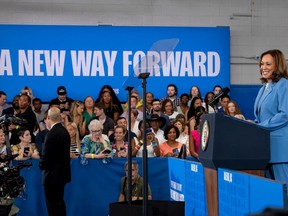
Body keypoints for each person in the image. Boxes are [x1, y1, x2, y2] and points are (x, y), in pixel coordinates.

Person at [253, 49, 288, 191]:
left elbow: (285, 114)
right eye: (262, 64)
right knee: (272, 193)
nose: (263, 67)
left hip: (280, 150)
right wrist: (249, 123)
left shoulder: (284, 84)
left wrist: (260, 126)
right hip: (265, 147)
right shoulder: (263, 88)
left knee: (285, 192)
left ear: (277, 66)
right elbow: (260, 117)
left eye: (268, 64)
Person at [39, 107, 71, 216]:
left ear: (48, 118)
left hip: (51, 177)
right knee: (59, 204)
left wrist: (41, 165)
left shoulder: (51, 134)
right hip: (61, 176)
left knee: (53, 208)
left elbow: (46, 157)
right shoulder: (64, 131)